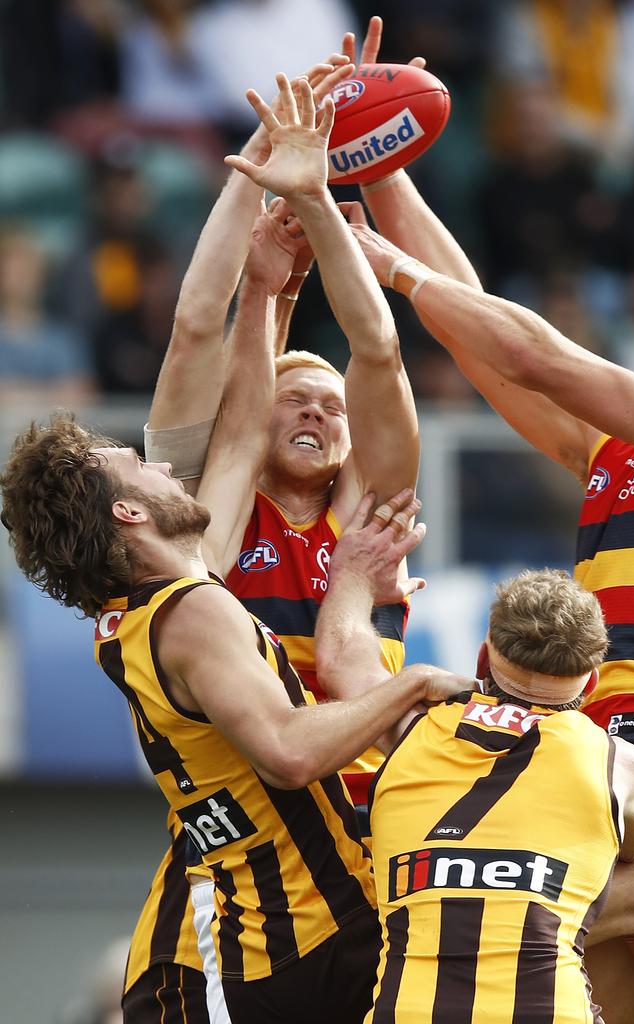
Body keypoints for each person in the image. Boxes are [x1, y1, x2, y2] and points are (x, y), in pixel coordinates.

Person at [347, 180, 634, 1024]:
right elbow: (484, 342)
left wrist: (396, 269)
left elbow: (539, 355)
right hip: (602, 783)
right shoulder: (621, 449)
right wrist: (386, 175)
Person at [0, 410, 466, 1024]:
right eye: (141, 465)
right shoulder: (192, 612)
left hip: (300, 932)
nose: (165, 466)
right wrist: (415, 681)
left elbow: (242, 434)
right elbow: (289, 752)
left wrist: (350, 576)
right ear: (129, 512)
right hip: (291, 939)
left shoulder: (139, 615)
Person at [121, 53, 365, 1022]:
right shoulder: (194, 518)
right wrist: (257, 169)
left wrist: (374, 167)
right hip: (244, 846)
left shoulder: (372, 511)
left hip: (351, 831)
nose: (311, 412)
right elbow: (196, 330)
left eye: (327, 401)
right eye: (290, 396)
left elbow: (381, 352)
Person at [311, 509, 634, 1024]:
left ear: (483, 660)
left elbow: (342, 656)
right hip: (548, 1013)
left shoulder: (411, 729)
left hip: (405, 1010)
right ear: (592, 685)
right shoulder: (619, 765)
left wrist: (350, 571)